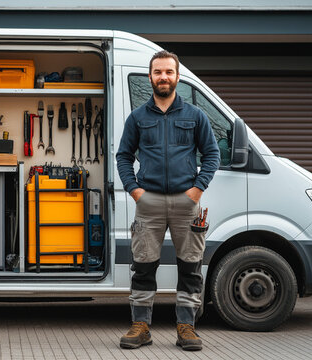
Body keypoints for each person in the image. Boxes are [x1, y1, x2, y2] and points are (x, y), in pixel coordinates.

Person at [116, 50, 220, 351]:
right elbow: (124, 156)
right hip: (148, 203)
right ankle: (141, 327)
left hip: (186, 203)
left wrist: (198, 189)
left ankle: (186, 327)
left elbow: (211, 154)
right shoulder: (138, 118)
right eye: (158, 72)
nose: (163, 77)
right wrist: (135, 190)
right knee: (143, 266)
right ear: (150, 77)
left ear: (177, 77)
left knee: (190, 266)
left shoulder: (195, 116)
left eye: (168, 72)